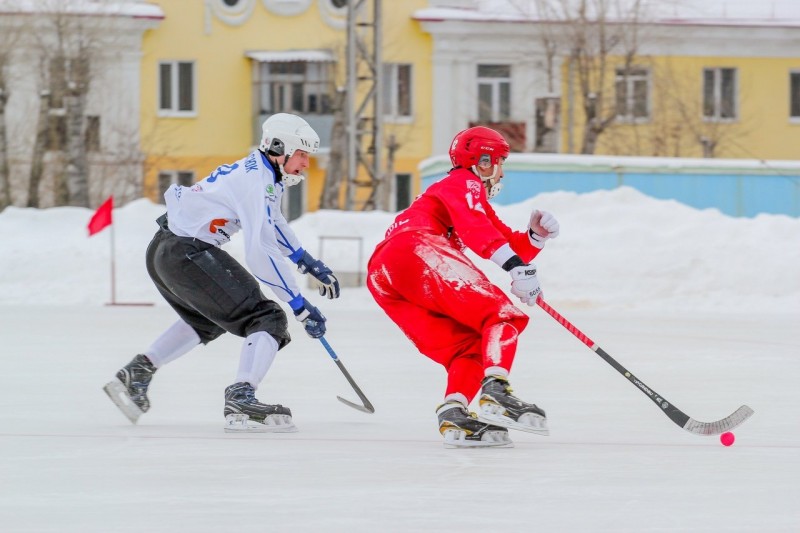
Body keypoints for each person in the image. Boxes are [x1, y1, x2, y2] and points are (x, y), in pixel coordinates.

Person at [103, 113, 340, 433]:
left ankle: (138, 373)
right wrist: (297, 304)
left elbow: (273, 225)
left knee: (207, 319)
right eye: (302, 154)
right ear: (279, 147)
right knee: (267, 318)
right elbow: (260, 253)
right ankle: (241, 396)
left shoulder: (262, 174)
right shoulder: (258, 182)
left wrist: (304, 259)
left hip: (165, 249)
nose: (306, 163)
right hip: (187, 252)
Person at [366, 126, 560, 448]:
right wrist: (515, 268)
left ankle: (454, 410)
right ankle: (496, 391)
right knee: (502, 316)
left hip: (385, 275)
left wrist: (534, 238)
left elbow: (496, 235)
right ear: (482, 162)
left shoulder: (458, 194)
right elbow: (476, 230)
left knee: (468, 347)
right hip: (416, 248)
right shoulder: (464, 182)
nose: (500, 172)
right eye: (498, 162)